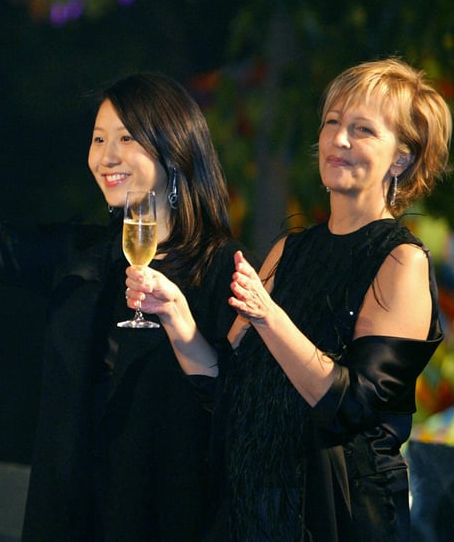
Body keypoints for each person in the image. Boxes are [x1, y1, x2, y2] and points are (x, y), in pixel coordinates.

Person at [0, 68, 254, 540]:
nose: (107, 157)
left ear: (175, 148)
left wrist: (181, 325)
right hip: (72, 513)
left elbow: (241, 408)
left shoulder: (220, 268)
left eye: (127, 138)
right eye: (97, 139)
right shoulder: (84, 257)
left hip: (169, 515)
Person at [126, 57, 452, 540]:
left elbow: (350, 407)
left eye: (362, 129)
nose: (339, 140)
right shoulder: (290, 250)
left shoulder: (402, 261)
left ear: (400, 157)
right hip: (251, 508)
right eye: (332, 124)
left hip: (334, 514)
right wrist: (176, 314)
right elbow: (226, 386)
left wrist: (268, 316)